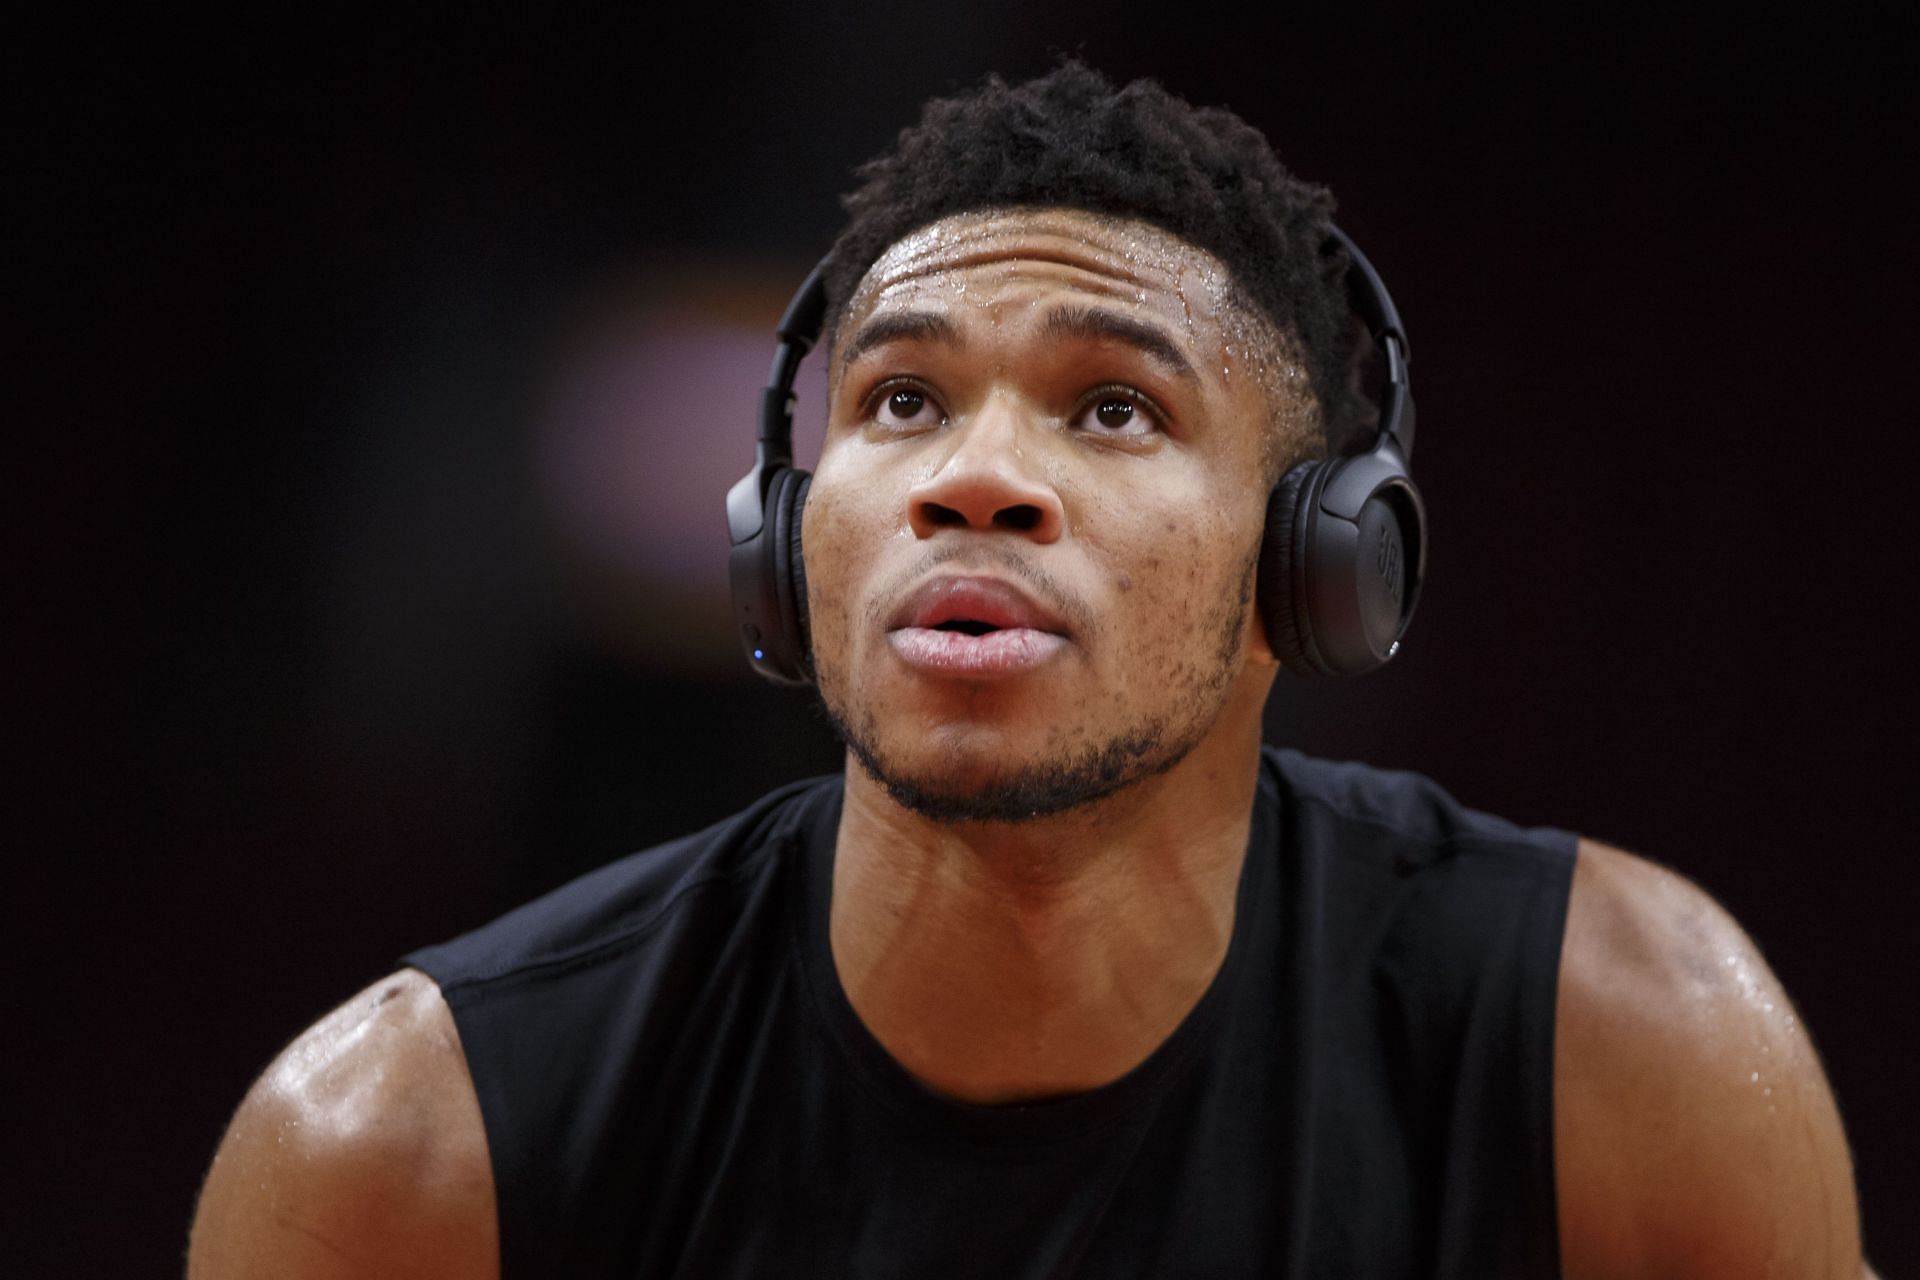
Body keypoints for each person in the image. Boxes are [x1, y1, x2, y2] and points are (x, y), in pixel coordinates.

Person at [187, 62, 1871, 1278]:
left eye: (1115, 407)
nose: (969, 477)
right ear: (784, 543)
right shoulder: (408, 1144)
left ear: (1318, 568)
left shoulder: (1622, 1049)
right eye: (901, 400)